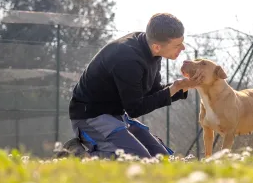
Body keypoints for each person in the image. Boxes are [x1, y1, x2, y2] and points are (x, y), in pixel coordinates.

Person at [56, 13, 203, 159]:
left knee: (161, 158)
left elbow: (151, 91)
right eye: (177, 45)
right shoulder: (128, 59)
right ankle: (75, 155)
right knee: (138, 160)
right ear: (157, 47)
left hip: (118, 116)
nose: (182, 48)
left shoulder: (151, 48)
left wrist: (183, 86)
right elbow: (136, 108)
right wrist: (175, 88)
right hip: (91, 116)